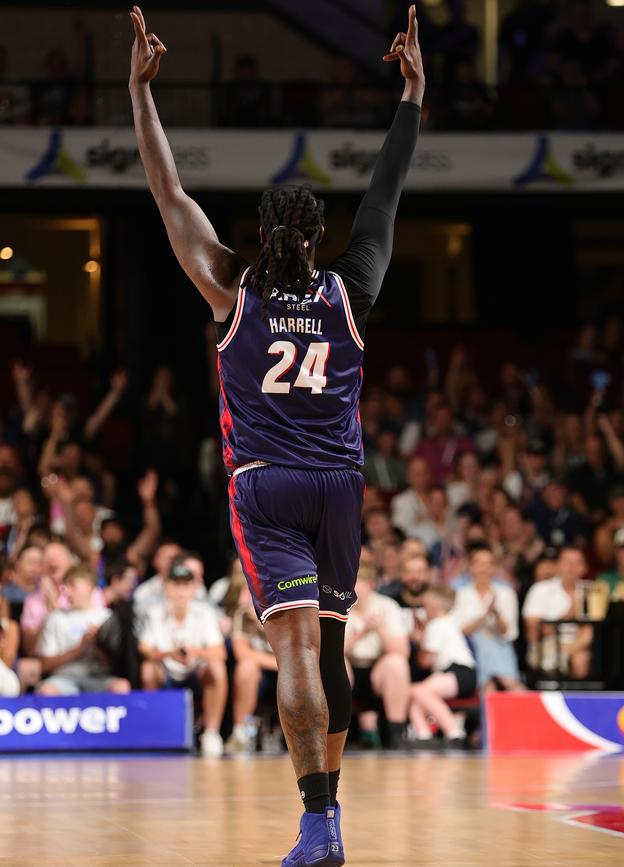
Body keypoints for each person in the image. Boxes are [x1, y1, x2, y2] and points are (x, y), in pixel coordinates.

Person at [128, 4, 423, 862]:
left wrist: (142, 94)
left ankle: (316, 819)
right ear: (319, 239)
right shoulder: (351, 288)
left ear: (260, 236)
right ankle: (330, 821)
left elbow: (167, 193)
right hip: (339, 485)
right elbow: (386, 192)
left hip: (266, 483)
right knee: (329, 645)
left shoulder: (230, 285)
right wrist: (411, 96)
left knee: (291, 646)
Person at [139, 555, 228, 758]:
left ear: (194, 588)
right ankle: (154, 731)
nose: (181, 591)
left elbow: (219, 652)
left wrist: (195, 652)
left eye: (185, 585)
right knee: (147, 669)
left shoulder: (205, 612)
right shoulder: (154, 612)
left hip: (195, 671)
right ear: (167, 587)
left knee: (217, 668)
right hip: (167, 670)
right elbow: (143, 648)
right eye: (176, 585)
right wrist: (169, 654)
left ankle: (211, 733)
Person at [36, 564, 130, 696]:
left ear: (89, 587)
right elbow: (44, 665)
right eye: (65, 587)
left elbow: (118, 665)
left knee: (122, 687)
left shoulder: (107, 617)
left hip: (99, 679)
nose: (67, 592)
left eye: (73, 586)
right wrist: (78, 650)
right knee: (47, 691)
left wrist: (97, 645)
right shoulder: (55, 618)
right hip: (64, 679)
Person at [345, 565, 410, 749]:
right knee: (334, 664)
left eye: (355, 581)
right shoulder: (336, 604)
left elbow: (402, 650)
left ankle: (396, 735)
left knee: (396, 663)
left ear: (370, 585)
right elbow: (329, 651)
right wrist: (361, 632)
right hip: (349, 667)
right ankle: (332, 734)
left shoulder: (387, 606)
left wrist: (378, 628)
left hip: (377, 670)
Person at [409, 585, 477, 748]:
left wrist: (419, 640)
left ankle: (454, 732)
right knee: (417, 699)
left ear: (435, 606)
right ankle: (423, 735)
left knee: (418, 690)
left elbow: (424, 661)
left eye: (425, 605)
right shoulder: (449, 623)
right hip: (462, 675)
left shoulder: (437, 625)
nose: (424, 610)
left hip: (458, 672)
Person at [452, 545, 523, 691]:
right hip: (470, 649)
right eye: (479, 563)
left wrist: (496, 614)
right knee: (483, 643)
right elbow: (459, 631)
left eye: (488, 564)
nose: (483, 568)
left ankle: (509, 684)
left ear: (494, 567)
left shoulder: (506, 593)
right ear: (470, 567)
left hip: (500, 646)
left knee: (494, 646)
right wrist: (484, 616)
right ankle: (500, 683)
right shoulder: (460, 594)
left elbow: (509, 633)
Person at [522, 545, 592, 677]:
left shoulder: (592, 590)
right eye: (566, 562)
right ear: (557, 565)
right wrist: (570, 615)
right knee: (574, 657)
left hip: (582, 645)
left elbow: (594, 630)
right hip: (548, 645)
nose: (571, 567)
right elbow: (533, 632)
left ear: (585, 567)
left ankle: (566, 653)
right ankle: (565, 654)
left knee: (581, 657)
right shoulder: (540, 589)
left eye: (577, 562)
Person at [226, 585, 278, 754]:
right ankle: (240, 732)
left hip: (289, 673)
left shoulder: (284, 608)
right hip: (267, 672)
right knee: (246, 667)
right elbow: (242, 653)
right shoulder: (242, 614)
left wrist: (263, 624)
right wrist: (279, 663)